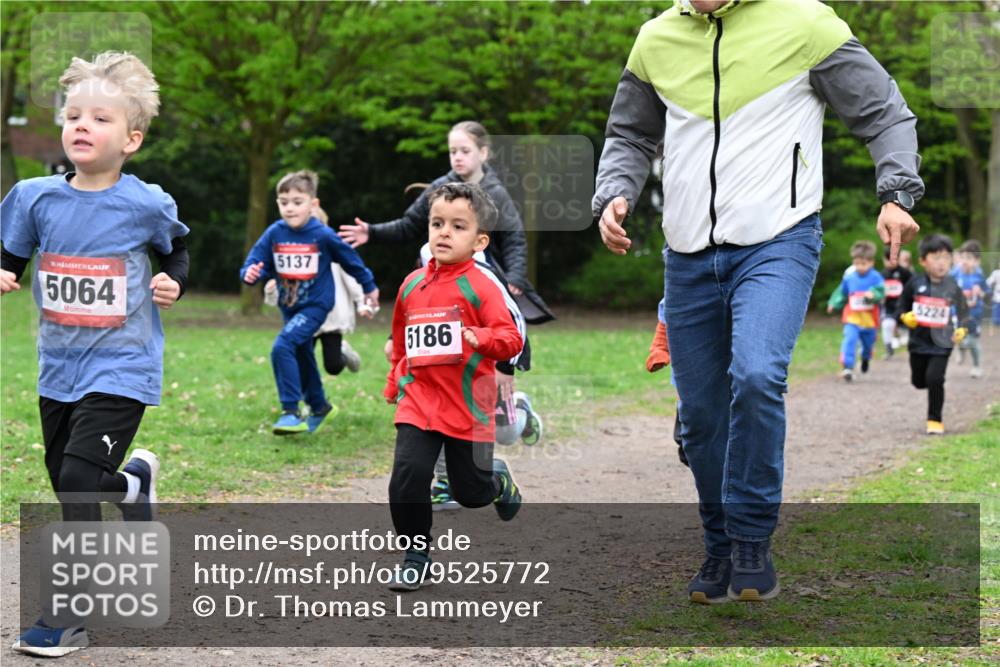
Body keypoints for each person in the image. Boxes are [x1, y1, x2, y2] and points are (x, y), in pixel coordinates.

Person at [594, 0, 923, 604]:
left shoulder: (806, 23)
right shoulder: (655, 38)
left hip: (780, 239)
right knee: (700, 416)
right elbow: (631, 134)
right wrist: (615, 192)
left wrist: (897, 191)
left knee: (757, 372)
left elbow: (884, 113)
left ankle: (750, 539)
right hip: (688, 252)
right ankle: (718, 546)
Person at [1, 52, 189, 657]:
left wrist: (173, 281)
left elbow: (176, 249)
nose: (81, 124)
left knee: (78, 481)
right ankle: (132, 486)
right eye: (73, 114)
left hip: (123, 363)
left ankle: (69, 614)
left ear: (131, 138)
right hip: (59, 366)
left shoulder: (145, 203)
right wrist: (4, 272)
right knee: (68, 482)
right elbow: (14, 252)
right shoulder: (34, 197)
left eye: (100, 118)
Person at [383, 182, 523, 591]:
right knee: (407, 477)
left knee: (470, 492)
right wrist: (396, 380)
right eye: (437, 223)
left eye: (457, 226)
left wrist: (484, 339)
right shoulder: (411, 285)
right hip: (420, 398)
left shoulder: (482, 286)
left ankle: (497, 482)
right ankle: (416, 556)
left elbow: (511, 339)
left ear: (479, 241)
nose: (444, 232)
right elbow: (400, 338)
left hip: (469, 404)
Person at [338, 120, 555, 324]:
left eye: (465, 151)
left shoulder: (496, 193)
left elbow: (513, 238)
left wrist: (514, 276)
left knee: (488, 334)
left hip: (482, 278)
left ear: (483, 153)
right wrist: (373, 232)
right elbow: (409, 225)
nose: (458, 157)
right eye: (453, 151)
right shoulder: (439, 188)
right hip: (440, 279)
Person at [241, 171, 378, 435]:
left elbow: (351, 260)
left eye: (297, 201)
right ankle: (319, 405)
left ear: (312, 204)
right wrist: (250, 274)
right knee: (302, 355)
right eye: (283, 202)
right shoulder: (274, 233)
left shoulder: (322, 235)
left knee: (282, 347)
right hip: (289, 307)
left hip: (316, 306)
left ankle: (291, 411)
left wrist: (369, 287)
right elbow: (255, 263)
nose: (289, 208)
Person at [264, 206, 371, 380]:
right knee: (302, 364)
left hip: (332, 317)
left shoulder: (335, 250)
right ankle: (312, 403)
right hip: (304, 318)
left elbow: (354, 277)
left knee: (333, 366)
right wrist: (271, 291)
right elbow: (284, 290)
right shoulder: (293, 255)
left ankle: (343, 351)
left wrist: (362, 303)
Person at [897, 234, 969, 434]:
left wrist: (962, 329)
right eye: (936, 258)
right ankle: (925, 383)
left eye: (946, 258)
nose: (942, 263)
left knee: (935, 379)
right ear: (922, 261)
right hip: (918, 342)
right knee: (919, 381)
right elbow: (900, 307)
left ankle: (934, 420)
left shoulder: (953, 286)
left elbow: (964, 312)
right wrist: (905, 317)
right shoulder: (914, 283)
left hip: (942, 343)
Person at [826, 241, 885, 381]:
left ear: (871, 262)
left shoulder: (876, 277)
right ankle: (847, 367)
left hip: (869, 319)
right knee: (850, 339)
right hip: (852, 317)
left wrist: (873, 294)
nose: (860, 267)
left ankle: (865, 358)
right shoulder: (850, 278)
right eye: (857, 263)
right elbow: (841, 292)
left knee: (867, 343)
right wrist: (833, 303)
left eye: (863, 263)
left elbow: (881, 292)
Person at [949, 240, 988, 378]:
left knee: (972, 341)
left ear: (977, 261)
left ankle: (976, 366)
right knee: (958, 337)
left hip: (974, 314)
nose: (965, 261)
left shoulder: (979, 275)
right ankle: (961, 347)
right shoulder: (956, 272)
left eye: (969, 258)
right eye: (963, 257)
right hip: (957, 313)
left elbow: (985, 293)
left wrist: (980, 292)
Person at [879, 245, 913, 358]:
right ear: (884, 259)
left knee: (906, 329)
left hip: (903, 306)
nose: (890, 262)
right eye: (887, 259)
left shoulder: (904, 273)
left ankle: (911, 345)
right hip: (888, 305)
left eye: (893, 259)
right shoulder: (882, 274)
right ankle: (889, 348)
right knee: (886, 325)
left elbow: (912, 286)